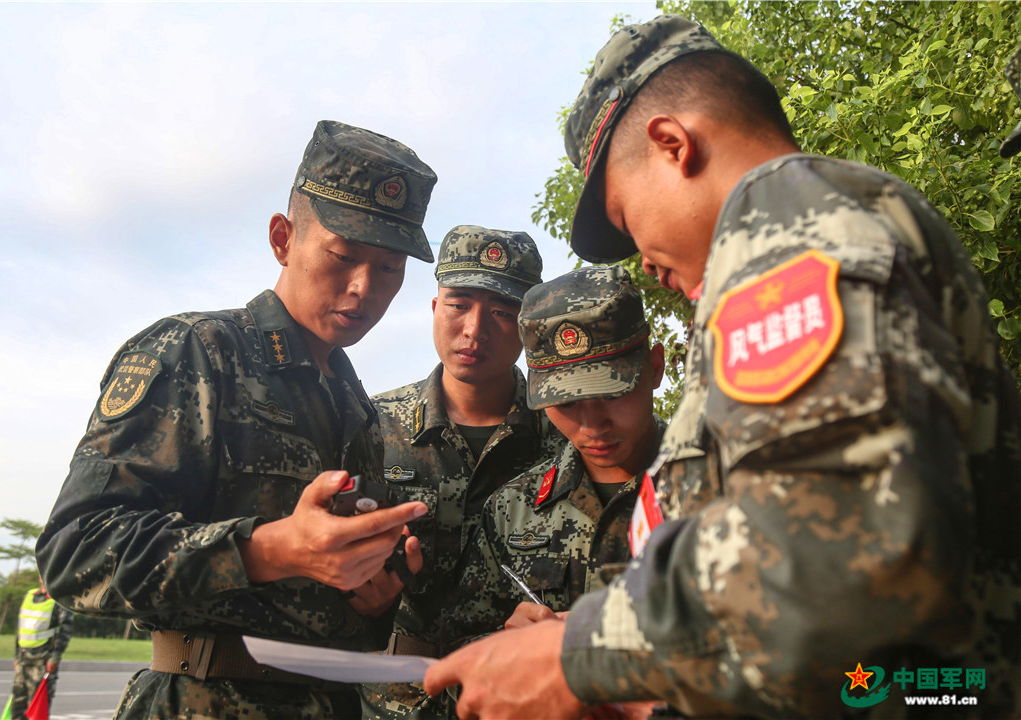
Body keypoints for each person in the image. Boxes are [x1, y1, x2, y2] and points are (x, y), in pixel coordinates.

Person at [425, 15, 1021, 719]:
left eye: (624, 214)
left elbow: (842, 570)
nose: (642, 258)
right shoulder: (815, 225)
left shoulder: (786, 229)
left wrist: (584, 656)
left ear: (673, 144)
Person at [36, 120, 438, 719]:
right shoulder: (196, 352)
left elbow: (320, 607)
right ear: (283, 238)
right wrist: (270, 548)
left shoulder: (357, 405)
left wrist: (367, 597)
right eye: (343, 255)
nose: (362, 288)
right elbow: (74, 554)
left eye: (389, 270)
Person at [361, 226, 565, 719]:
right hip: (392, 700)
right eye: (459, 305)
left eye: (501, 312)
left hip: (517, 699)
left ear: (527, 324)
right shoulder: (371, 425)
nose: (476, 330)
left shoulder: (565, 434)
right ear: (435, 309)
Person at [446, 265, 666, 720]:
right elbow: (461, 648)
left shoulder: (720, 489)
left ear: (656, 367)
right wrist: (511, 651)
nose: (591, 426)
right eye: (565, 403)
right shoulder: (513, 510)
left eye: (611, 394)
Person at [9, 575, 74, 720]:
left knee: (37, 708)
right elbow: (20, 629)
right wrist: (17, 655)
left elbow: (65, 631)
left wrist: (54, 658)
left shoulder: (59, 600)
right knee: (17, 705)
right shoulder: (29, 596)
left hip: (43, 661)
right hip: (23, 660)